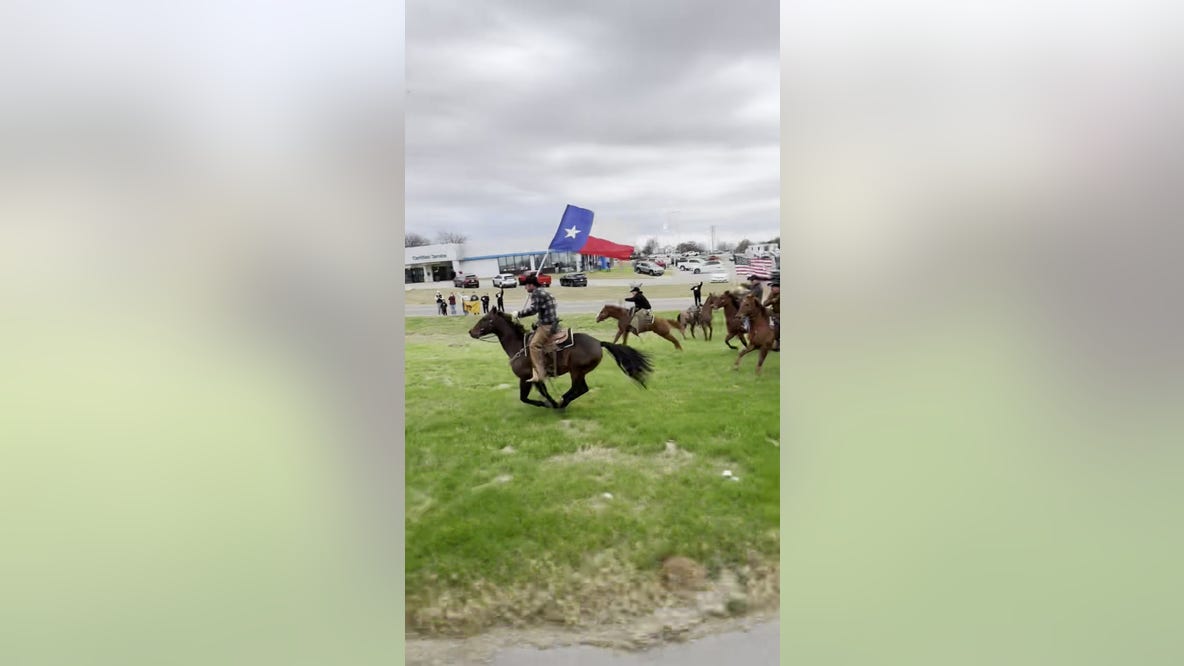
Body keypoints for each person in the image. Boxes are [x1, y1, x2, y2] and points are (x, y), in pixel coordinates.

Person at [513, 274, 559, 383]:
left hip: (547, 325)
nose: (525, 288)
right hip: (549, 321)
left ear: (531, 285)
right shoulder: (543, 291)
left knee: (533, 345)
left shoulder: (536, 294)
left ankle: (539, 374)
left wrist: (518, 314)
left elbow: (533, 310)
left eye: (526, 285)